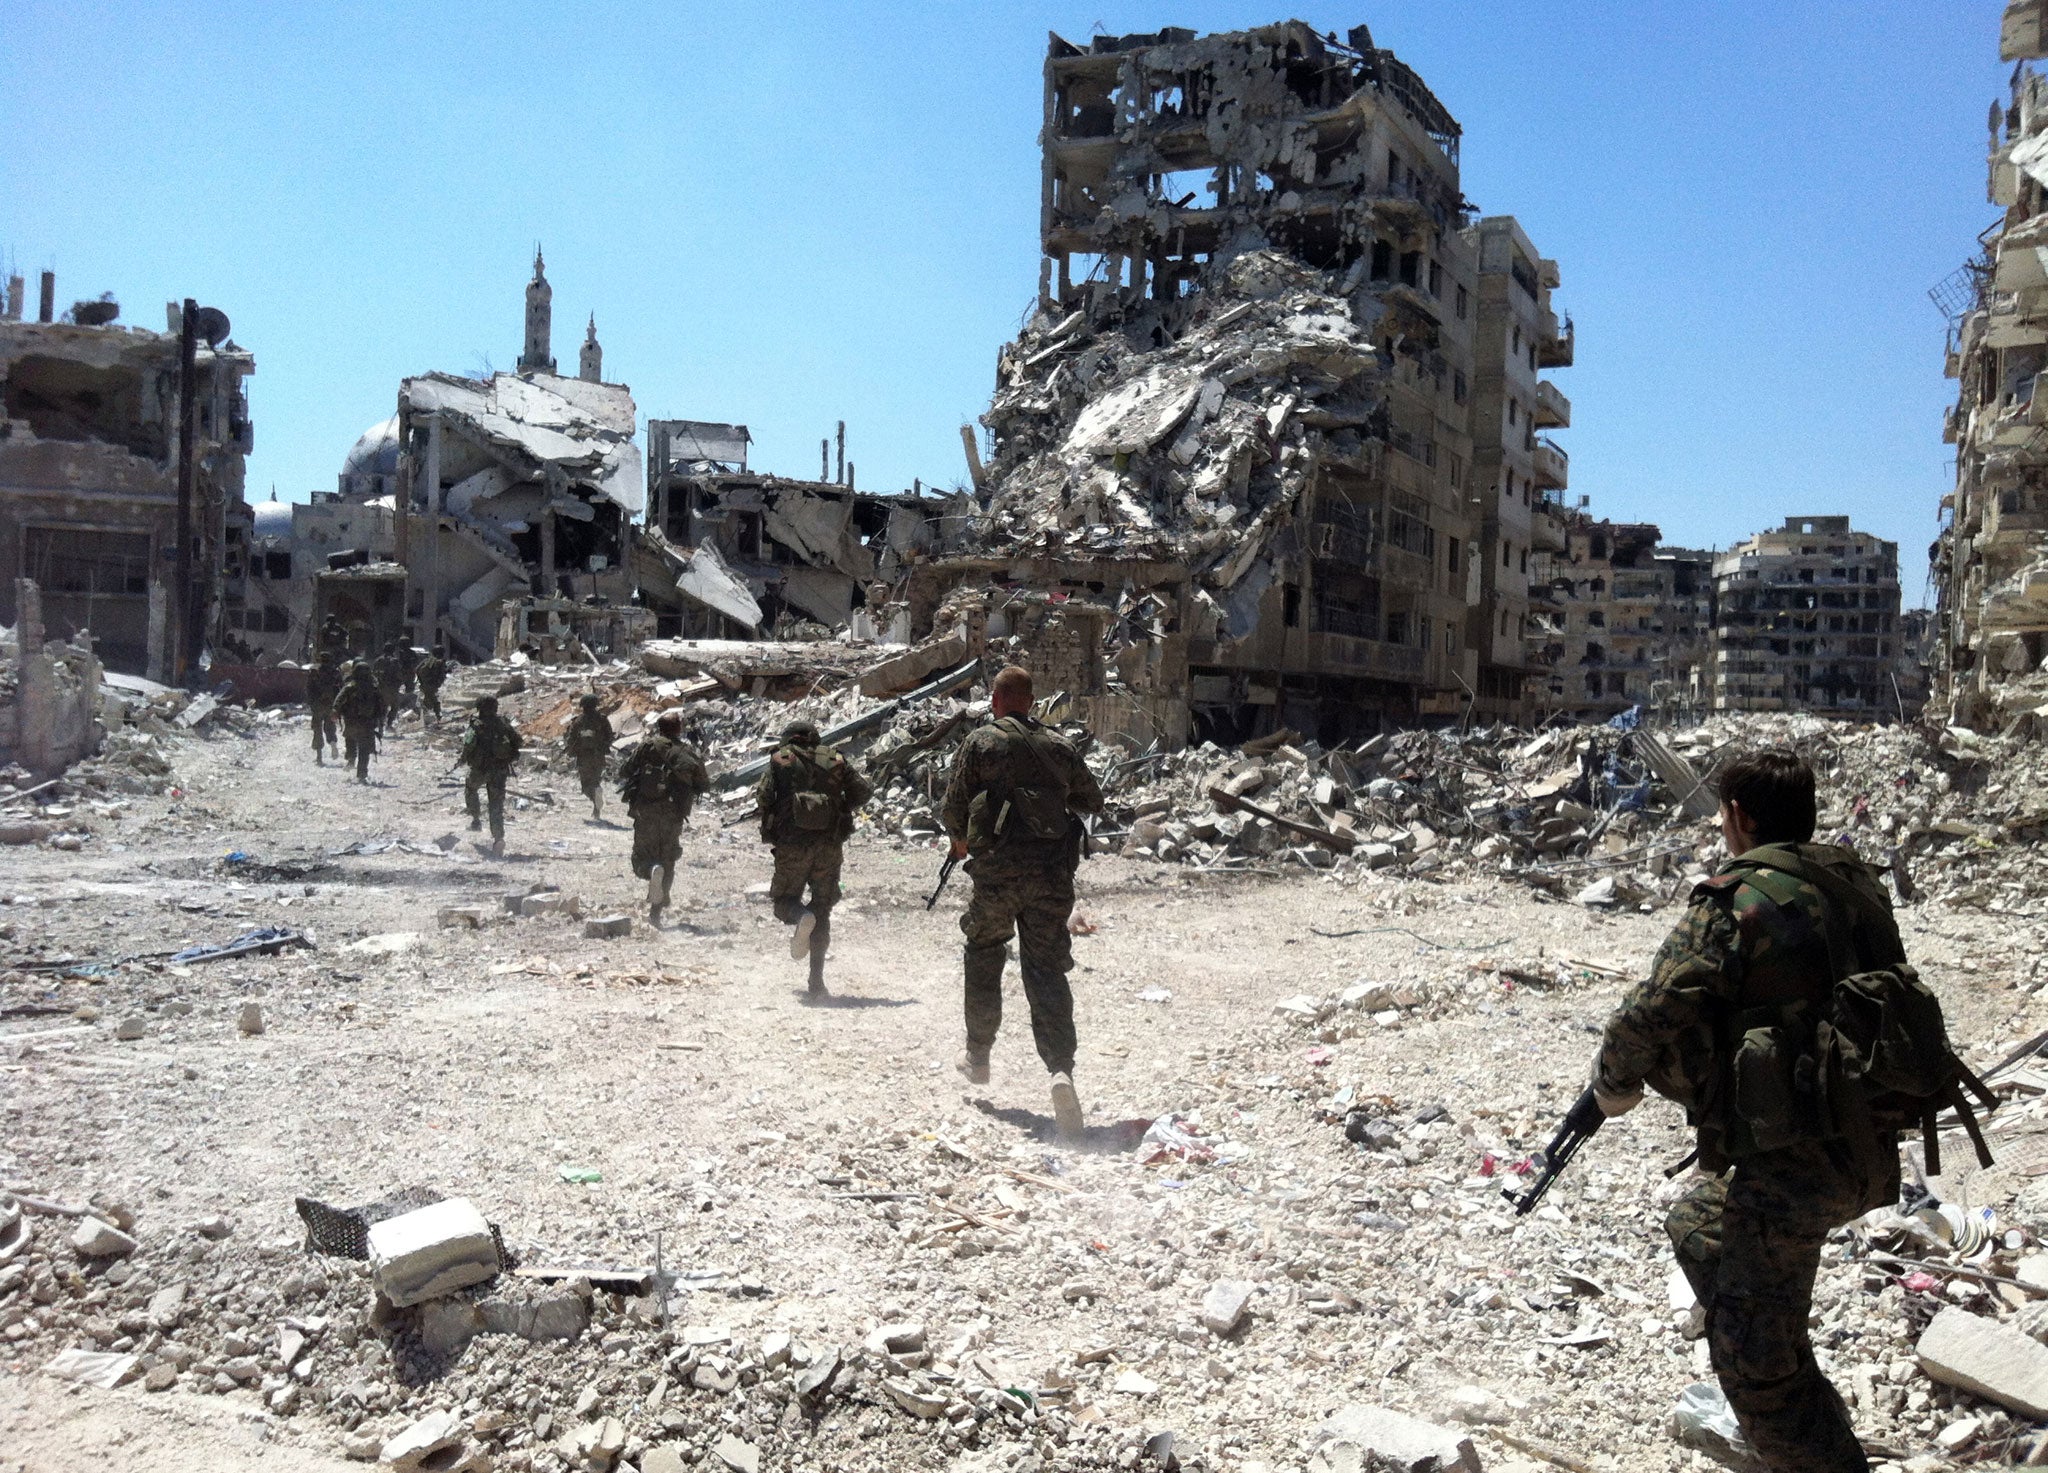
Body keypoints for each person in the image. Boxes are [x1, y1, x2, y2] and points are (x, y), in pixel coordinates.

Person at [1592, 749, 1907, 1473]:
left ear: (1739, 816)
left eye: (1722, 813)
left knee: (1756, 1375)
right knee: (1698, 1220)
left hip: (1792, 1164)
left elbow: (1646, 1013)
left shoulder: (1737, 898)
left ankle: (1803, 1433)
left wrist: (1615, 1085)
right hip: (1865, 1146)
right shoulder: (1856, 887)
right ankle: (1779, 1359)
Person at [940, 666, 1103, 1140]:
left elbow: (953, 807)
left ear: (995, 700)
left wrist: (960, 839)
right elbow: (1092, 800)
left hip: (997, 876)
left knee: (985, 952)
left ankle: (979, 1055)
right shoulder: (1059, 747)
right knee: (1046, 969)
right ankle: (1060, 1071)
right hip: (1051, 877)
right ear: (1031, 702)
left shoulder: (982, 743)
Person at [753, 719, 872, 1000]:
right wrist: (836, 807)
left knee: (784, 903)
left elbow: (763, 796)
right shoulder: (835, 758)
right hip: (828, 845)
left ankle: (800, 916)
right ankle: (816, 983)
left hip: (793, 845)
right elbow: (863, 792)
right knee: (823, 909)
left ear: (789, 738)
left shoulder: (781, 759)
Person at [617, 710, 708, 921]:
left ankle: (650, 871)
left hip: (646, 811)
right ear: (679, 730)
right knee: (668, 860)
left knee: (640, 859)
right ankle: (655, 913)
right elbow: (704, 783)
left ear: (659, 728)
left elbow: (625, 771)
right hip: (673, 815)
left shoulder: (647, 747)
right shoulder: (688, 752)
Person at [459, 695, 524, 854]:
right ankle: (498, 838)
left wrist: (462, 759)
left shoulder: (476, 725)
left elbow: (468, 745)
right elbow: (518, 741)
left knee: (470, 788)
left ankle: (475, 820)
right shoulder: (503, 724)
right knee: (496, 805)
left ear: (479, 708)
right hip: (500, 770)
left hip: (480, 769)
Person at [563, 694, 616, 821]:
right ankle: (596, 808)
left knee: (585, 785)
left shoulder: (578, 721)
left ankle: (594, 797)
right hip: (598, 757)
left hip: (584, 758)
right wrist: (603, 745)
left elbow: (571, 739)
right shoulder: (602, 719)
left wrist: (570, 750)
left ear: (583, 706)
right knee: (595, 781)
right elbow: (610, 737)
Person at [333, 661, 384, 785]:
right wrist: (379, 720)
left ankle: (351, 759)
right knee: (364, 749)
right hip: (367, 722)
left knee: (350, 739)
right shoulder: (374, 688)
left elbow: (339, 699)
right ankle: (361, 774)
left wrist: (335, 711)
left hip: (352, 721)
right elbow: (381, 706)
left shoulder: (351, 686)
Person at [306, 651, 342, 766]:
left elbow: (309, 689)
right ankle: (333, 744)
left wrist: (311, 703)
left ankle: (319, 757)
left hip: (318, 705)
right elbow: (340, 689)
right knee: (330, 727)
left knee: (317, 729)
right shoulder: (335, 673)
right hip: (330, 704)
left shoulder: (314, 672)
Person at [373, 641, 405, 734]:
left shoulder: (378, 660)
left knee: (382, 707)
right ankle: (389, 724)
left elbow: (374, 673)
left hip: (380, 688)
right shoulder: (394, 661)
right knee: (395, 706)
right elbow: (399, 675)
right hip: (392, 689)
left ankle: (380, 725)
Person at [416, 649, 448, 725]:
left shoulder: (427, 660)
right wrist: (438, 683)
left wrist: (421, 681)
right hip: (431, 685)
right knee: (434, 702)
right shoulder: (440, 662)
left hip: (424, 685)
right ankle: (437, 718)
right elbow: (442, 676)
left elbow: (417, 670)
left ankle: (421, 717)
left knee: (429, 700)